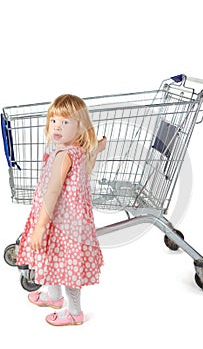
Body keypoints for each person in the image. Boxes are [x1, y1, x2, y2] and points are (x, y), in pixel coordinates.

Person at [17, 94, 106, 326]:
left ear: (80, 126)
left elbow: (53, 192)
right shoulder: (76, 151)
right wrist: (97, 149)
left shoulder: (64, 155)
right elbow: (85, 171)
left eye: (65, 122)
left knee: (67, 266)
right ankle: (55, 298)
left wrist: (39, 227)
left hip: (61, 223)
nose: (57, 126)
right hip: (64, 221)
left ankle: (74, 312)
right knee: (54, 259)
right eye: (54, 120)